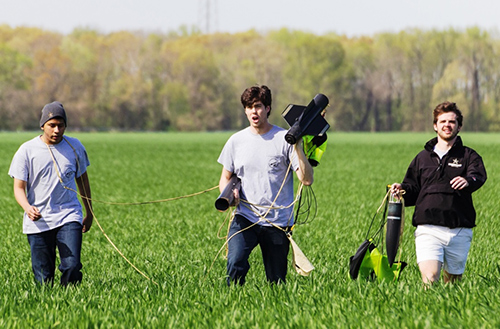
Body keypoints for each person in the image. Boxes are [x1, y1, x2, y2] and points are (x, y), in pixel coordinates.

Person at [217, 85, 314, 285]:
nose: (254, 111)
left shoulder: (284, 139)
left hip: (277, 222)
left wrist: (298, 146)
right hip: (245, 217)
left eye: (259, 106)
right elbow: (225, 177)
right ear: (245, 110)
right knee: (235, 263)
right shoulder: (236, 141)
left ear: (268, 108)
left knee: (276, 281)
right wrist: (229, 195)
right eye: (250, 107)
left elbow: (306, 180)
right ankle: (231, 305)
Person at [390, 101, 486, 285]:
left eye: (452, 121)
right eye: (442, 121)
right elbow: (413, 188)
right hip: (428, 229)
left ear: (459, 126)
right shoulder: (422, 158)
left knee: (453, 284)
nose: (447, 125)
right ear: (435, 126)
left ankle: (448, 312)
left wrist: (467, 180)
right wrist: (401, 189)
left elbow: (478, 176)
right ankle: (428, 310)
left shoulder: (469, 156)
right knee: (430, 277)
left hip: (459, 229)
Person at [8, 101, 93, 286]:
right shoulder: (26, 151)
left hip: (69, 214)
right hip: (39, 220)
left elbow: (83, 181)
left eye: (60, 125)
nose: (56, 130)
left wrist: (89, 212)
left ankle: (72, 303)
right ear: (42, 125)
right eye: (51, 125)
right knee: (43, 278)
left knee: (72, 265)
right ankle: (49, 309)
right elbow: (18, 187)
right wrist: (27, 207)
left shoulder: (75, 147)